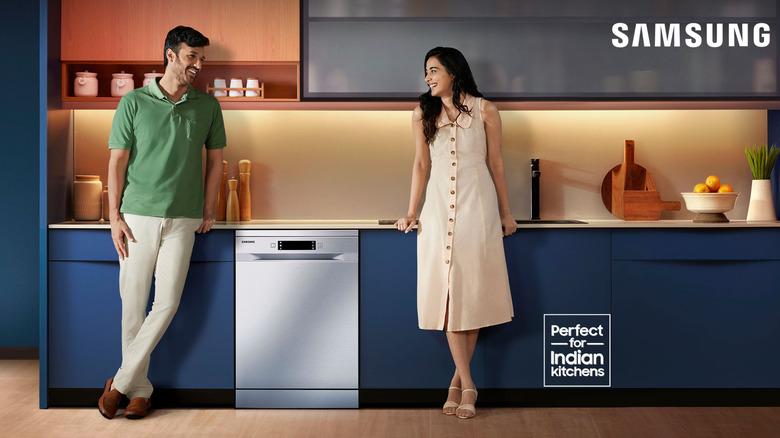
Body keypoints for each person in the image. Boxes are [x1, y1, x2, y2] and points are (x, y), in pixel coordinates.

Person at [98, 25, 227, 420]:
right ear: (170, 55)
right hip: (136, 217)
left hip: (184, 219)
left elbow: (216, 161)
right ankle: (139, 391)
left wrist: (208, 209)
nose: (198, 65)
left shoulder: (207, 106)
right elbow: (117, 161)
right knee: (133, 307)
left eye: (202, 58)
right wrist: (114, 216)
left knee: (167, 303)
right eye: (192, 56)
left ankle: (118, 383)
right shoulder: (133, 102)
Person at [395, 47, 516, 420]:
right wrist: (411, 211)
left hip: (477, 208)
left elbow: (495, 163)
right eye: (426, 72)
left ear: (452, 71)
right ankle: (468, 383)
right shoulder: (421, 113)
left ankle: (458, 383)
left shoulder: (486, 110)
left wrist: (506, 214)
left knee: (470, 296)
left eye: (433, 70)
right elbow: (420, 164)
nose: (428, 78)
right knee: (448, 300)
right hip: (437, 210)